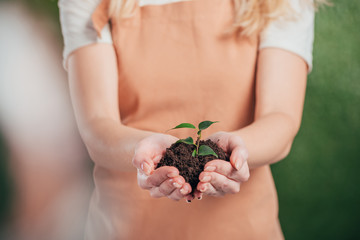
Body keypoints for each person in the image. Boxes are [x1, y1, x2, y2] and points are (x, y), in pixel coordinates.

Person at [59, 0, 318, 239]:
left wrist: (234, 151)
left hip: (242, 228)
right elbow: (97, 125)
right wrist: (145, 152)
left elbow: (280, 118)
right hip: (126, 227)